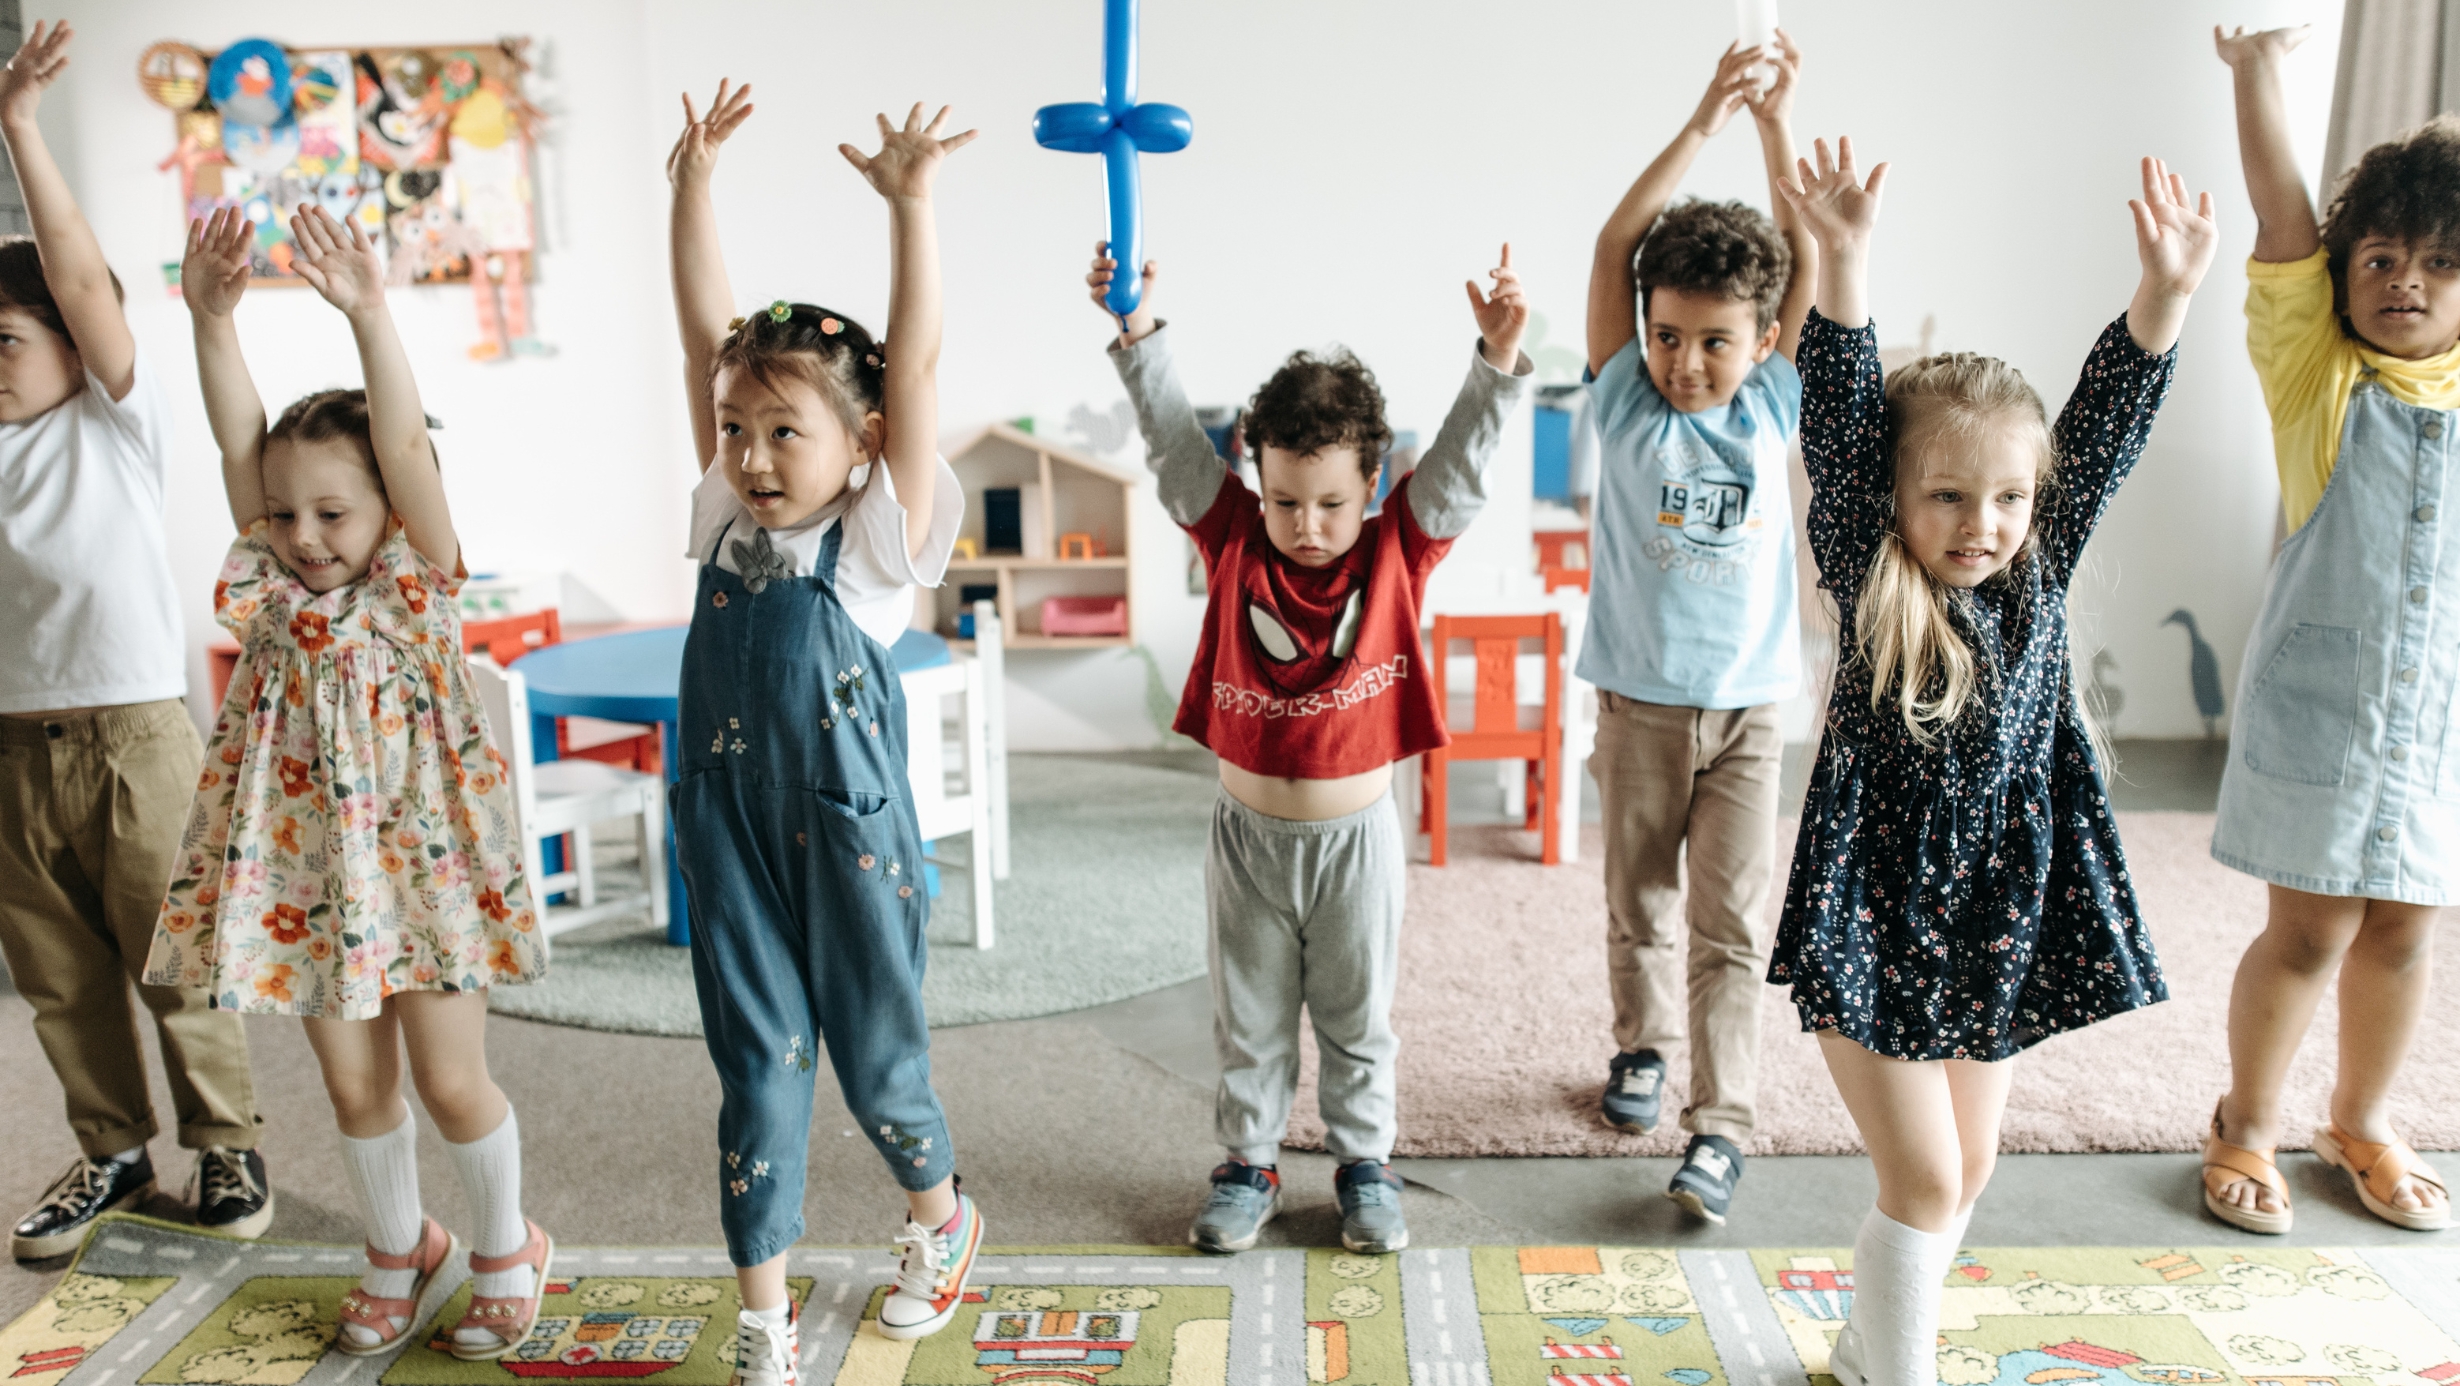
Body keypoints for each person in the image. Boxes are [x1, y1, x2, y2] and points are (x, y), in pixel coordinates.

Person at [1769, 138, 2216, 1384]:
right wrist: (1842, 261)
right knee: (1919, 1180)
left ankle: (1868, 1345)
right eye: (1951, 499)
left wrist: (2167, 296)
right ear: (1897, 503)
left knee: (1970, 1172)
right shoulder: (1869, 564)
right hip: (1877, 907)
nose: (1985, 526)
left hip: (1997, 908)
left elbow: (2110, 418)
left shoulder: (2041, 563)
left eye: (2009, 500)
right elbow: (1846, 416)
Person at [145, 203, 547, 1360]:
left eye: (334, 511)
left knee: (451, 1079)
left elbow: (408, 447)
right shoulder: (271, 584)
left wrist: (371, 310)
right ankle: (396, 1248)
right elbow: (238, 449)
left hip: (421, 868)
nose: (306, 535)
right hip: (305, 875)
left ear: (388, 511)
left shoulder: (415, 582)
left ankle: (505, 1247)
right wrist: (210, 320)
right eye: (288, 513)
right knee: (353, 1086)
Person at [1090, 236, 1534, 1256]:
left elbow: (1460, 474)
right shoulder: (1232, 533)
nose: (1306, 523)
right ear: (1257, 475)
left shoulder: (1397, 547)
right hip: (1248, 837)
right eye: (1286, 498)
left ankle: (1364, 1165)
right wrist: (1137, 333)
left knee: (1355, 1019)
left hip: (1357, 842)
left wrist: (1497, 362)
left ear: (1373, 484)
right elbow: (1171, 448)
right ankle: (1246, 1162)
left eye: (1331, 501)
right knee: (1247, 1021)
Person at [664, 82, 981, 1378]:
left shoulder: (868, 547)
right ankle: (764, 1318)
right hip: (730, 832)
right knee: (757, 1063)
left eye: (783, 429)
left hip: (848, 836)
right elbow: (703, 344)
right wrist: (691, 185)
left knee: (876, 1057)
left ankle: (940, 1219)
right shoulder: (722, 518)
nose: (749, 449)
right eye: (737, 427)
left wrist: (910, 209)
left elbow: (918, 361)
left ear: (863, 444)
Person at [0, 18, 270, 1261]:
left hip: (136, 738)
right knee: (58, 978)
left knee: (177, 959)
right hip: (13, 753)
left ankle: (227, 1148)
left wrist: (18, 129)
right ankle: (112, 1151)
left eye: (6, 342)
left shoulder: (113, 427)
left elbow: (82, 273)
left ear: (68, 339)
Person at [2201, 23, 2460, 1235]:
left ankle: (2359, 1119)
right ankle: (2244, 1123)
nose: (2406, 280)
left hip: (2437, 725)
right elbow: (2286, 219)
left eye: (2439, 264)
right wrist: (2259, 74)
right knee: (2307, 934)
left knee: (2404, 935)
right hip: (2321, 717)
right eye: (2384, 258)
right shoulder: (2321, 375)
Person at [1579, 34, 1816, 1224]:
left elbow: (1804, 260)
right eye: (1668, 334)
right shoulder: (1623, 389)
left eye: (1713, 339)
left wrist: (1777, 128)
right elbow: (1618, 245)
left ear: (1762, 341)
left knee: (1730, 923)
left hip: (1751, 715)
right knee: (1639, 904)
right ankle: (1642, 1049)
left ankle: (1721, 1126)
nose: (1683, 360)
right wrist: (1704, 118)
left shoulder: (1775, 397)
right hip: (1637, 705)